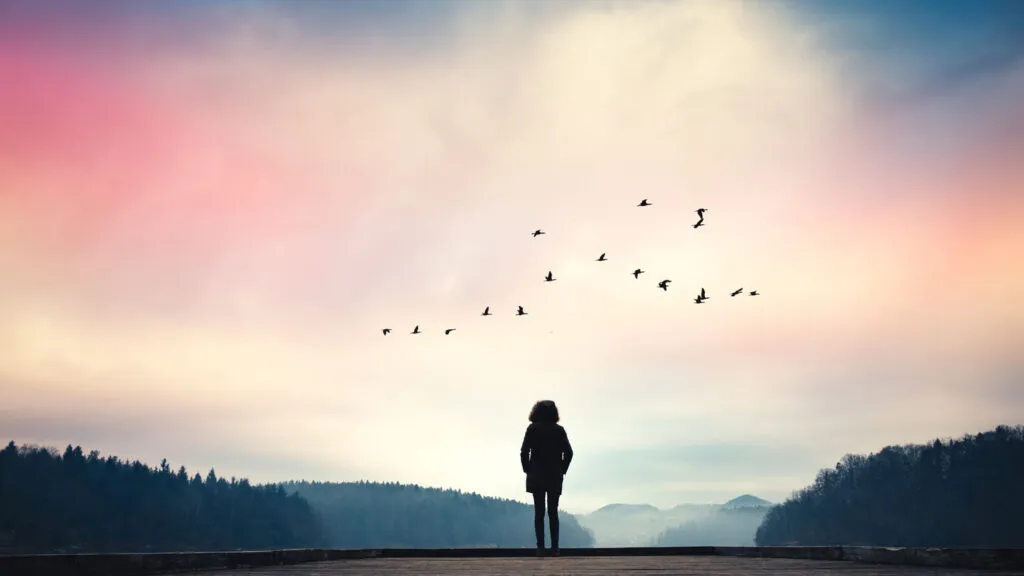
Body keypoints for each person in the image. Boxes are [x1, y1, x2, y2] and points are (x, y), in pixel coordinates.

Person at [520, 400, 573, 557]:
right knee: (553, 512)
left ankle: (540, 548)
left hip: (536, 474)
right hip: (554, 475)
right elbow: (569, 453)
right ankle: (555, 548)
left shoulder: (532, 429)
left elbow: (524, 452)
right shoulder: (559, 430)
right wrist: (562, 469)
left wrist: (527, 469)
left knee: (539, 512)